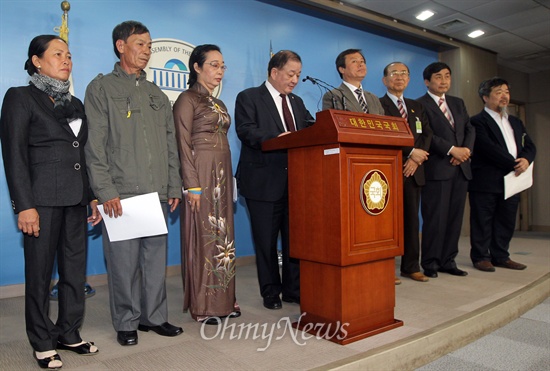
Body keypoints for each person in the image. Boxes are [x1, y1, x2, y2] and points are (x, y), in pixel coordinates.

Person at [0, 34, 100, 369]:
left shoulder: (75, 104)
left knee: (74, 272)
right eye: (57, 54)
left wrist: (92, 198)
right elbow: (14, 155)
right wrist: (24, 205)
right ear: (37, 61)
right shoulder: (20, 97)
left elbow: (80, 155)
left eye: (69, 54)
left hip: (75, 200)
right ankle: (42, 341)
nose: (66, 59)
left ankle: (69, 333)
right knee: (40, 275)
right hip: (40, 202)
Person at [84, 21, 182, 346]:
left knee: (155, 261)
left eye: (149, 45)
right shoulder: (101, 89)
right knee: (123, 264)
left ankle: (153, 317)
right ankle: (126, 321)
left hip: (155, 192)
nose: (146, 51)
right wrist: (105, 190)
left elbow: (170, 143)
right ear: (120, 46)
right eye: (139, 44)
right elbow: (94, 145)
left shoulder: (156, 93)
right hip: (121, 194)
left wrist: (173, 185)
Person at [235, 50, 314, 310]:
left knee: (295, 240)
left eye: (298, 75)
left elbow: (311, 130)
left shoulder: (298, 103)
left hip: (296, 183)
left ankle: (293, 289)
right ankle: (270, 291)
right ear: (274, 72)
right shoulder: (249, 97)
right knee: (266, 241)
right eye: (291, 74)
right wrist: (276, 139)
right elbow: (246, 130)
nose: (295, 80)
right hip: (262, 181)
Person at [173, 44, 240, 325]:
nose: (220, 71)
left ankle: (224, 299)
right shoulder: (187, 99)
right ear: (196, 67)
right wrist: (192, 184)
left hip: (222, 176)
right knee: (202, 237)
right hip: (200, 174)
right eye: (213, 64)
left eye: (222, 66)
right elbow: (182, 143)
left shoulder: (219, 103)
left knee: (223, 237)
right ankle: (203, 306)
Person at [469, 77, 536, 272]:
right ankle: (481, 257)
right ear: (485, 97)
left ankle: (500, 255)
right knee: (483, 220)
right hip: (486, 180)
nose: (504, 96)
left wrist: (526, 160)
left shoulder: (515, 121)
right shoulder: (477, 121)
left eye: (506, 92)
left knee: (506, 220)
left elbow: (529, 145)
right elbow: (488, 148)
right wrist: (515, 163)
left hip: (512, 180)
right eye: (498, 92)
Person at [416, 62, 475, 278]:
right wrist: (452, 150)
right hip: (437, 169)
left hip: (460, 169)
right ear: (427, 81)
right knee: (435, 219)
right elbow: (427, 135)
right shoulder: (419, 104)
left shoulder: (458, 103)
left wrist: (465, 151)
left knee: (454, 219)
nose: (444, 81)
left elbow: (469, 128)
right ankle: (430, 263)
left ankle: (448, 260)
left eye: (447, 76)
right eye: (438, 77)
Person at [380, 62, 433, 283]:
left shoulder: (416, 106)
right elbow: (382, 134)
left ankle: (411, 266)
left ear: (409, 79)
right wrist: (410, 153)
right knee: (386, 223)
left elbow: (427, 134)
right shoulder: (378, 104)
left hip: (414, 171)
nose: (399, 77)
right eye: (394, 73)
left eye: (404, 73)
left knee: (412, 220)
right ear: (385, 80)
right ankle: (385, 269)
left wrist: (417, 157)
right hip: (389, 169)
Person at [322, 48, 384, 114]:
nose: (360, 64)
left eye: (362, 61)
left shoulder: (373, 98)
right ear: (342, 69)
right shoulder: (333, 96)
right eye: (354, 61)